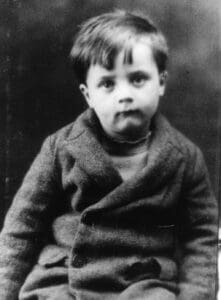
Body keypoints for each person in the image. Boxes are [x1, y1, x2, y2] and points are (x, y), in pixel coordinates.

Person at [0, 10, 218, 300]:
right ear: (88, 94)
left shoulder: (183, 157)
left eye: (137, 79)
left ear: (161, 82)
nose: (124, 94)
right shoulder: (61, 148)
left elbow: (200, 236)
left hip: (143, 283)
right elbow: (22, 226)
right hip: (65, 277)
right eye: (108, 84)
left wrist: (195, 296)